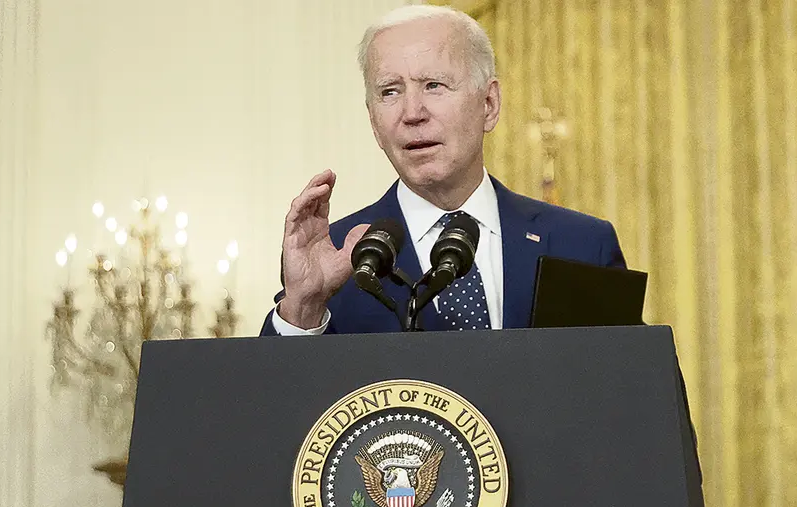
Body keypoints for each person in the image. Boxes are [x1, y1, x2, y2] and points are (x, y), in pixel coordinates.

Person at [258, 5, 624, 337]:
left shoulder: (582, 245)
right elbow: (271, 405)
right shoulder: (335, 259)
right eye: (389, 92)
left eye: (433, 85)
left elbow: (635, 395)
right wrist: (303, 308)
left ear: (489, 104)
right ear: (373, 121)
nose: (412, 112)